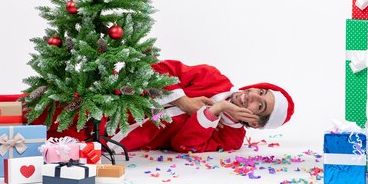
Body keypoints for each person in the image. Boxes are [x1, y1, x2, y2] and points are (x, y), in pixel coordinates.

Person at [107, 59, 295, 153]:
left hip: (117, 141)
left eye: (259, 105)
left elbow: (183, 144)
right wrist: (183, 101)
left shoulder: (231, 138)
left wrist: (215, 110)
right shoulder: (213, 77)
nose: (252, 95)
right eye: (260, 91)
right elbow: (160, 69)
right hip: (110, 99)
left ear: (255, 123)